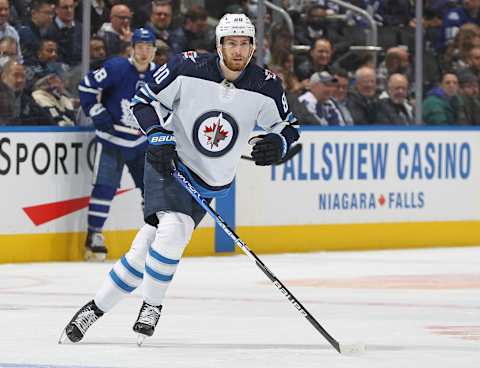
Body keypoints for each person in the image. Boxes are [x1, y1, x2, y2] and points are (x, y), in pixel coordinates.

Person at [60, 13, 299, 344]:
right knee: (174, 228)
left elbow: (289, 127)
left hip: (210, 181)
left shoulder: (266, 85)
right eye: (231, 43)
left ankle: (93, 309)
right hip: (168, 162)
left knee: (143, 248)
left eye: (245, 44)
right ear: (219, 46)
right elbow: (144, 102)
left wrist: (279, 143)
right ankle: (152, 306)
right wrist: (157, 133)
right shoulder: (187, 67)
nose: (238, 51)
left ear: (254, 47)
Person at [78, 28, 159, 261]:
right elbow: (86, 86)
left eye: (148, 47)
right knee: (104, 188)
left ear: (154, 50)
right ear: (131, 48)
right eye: (140, 47)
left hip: (143, 142)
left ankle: (153, 237)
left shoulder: (161, 74)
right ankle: (94, 235)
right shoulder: (117, 68)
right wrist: (96, 111)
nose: (144, 52)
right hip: (113, 140)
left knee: (152, 191)